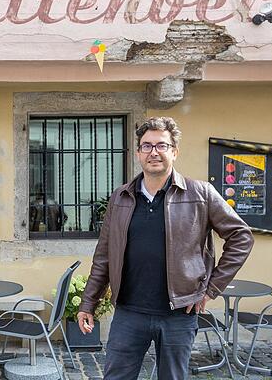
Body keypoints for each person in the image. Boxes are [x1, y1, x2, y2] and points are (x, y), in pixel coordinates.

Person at [77, 116, 254, 379]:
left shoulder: (200, 193)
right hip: (129, 312)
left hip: (179, 314)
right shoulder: (121, 197)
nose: (154, 152)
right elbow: (104, 255)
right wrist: (88, 302)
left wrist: (211, 289)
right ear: (138, 153)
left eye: (161, 145)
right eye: (147, 146)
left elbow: (241, 236)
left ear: (174, 151)